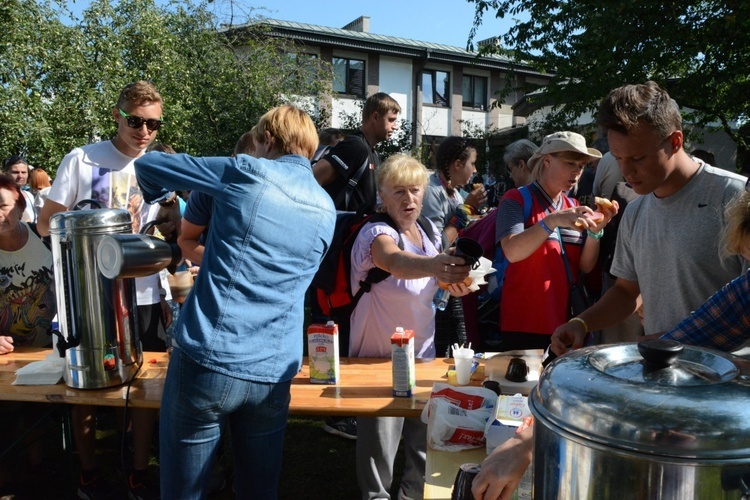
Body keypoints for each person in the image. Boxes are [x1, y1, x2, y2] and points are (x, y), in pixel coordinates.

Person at [134, 104, 335, 500]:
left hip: (210, 357)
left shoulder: (247, 169)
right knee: (259, 492)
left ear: (266, 140)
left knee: (182, 493)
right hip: (274, 370)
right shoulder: (325, 207)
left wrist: (163, 194)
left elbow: (150, 165)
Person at [36, 80, 170, 500]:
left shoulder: (159, 165)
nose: (144, 132)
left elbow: (167, 225)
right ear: (117, 115)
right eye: (135, 121)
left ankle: (137, 468)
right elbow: (46, 224)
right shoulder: (82, 159)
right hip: (88, 295)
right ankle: (88, 469)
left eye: (153, 124)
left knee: (145, 386)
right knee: (85, 385)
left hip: (144, 292)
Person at [551, 81, 747, 356]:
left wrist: (689, 345)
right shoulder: (635, 210)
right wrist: (582, 323)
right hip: (664, 375)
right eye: (618, 158)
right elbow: (626, 291)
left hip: (728, 385)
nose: (626, 171)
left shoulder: (737, 197)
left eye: (638, 157)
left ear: (675, 141)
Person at [349, 154, 471, 500]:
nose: (409, 199)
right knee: (380, 449)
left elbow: (434, 282)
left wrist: (455, 281)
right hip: (379, 360)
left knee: (423, 445)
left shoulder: (429, 230)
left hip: (423, 356)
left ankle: (412, 496)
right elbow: (394, 262)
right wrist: (437, 265)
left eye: (415, 190)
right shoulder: (376, 232)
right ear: (382, 196)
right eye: (398, 191)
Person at [494, 131, 617, 351]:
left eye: (581, 166)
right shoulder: (515, 198)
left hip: (565, 322)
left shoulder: (573, 204)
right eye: (570, 163)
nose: (577, 172)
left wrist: (596, 233)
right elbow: (512, 250)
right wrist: (551, 221)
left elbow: (584, 266)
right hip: (523, 323)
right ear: (547, 161)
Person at [421, 136, 486, 356]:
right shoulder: (432, 191)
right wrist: (465, 211)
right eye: (472, 163)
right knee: (441, 346)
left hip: (451, 283)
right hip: (434, 285)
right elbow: (435, 244)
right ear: (458, 164)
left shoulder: (454, 192)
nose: (475, 170)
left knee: (459, 344)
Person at [313, 92, 401, 214]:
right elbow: (313, 179)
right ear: (375, 117)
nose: (395, 127)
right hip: (341, 230)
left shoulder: (374, 153)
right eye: (391, 120)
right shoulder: (355, 147)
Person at [2, 155, 36, 222]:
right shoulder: (2, 196)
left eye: (23, 172)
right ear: (6, 174)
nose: (20, 176)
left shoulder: (29, 196)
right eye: (15, 172)